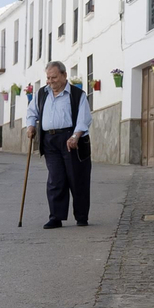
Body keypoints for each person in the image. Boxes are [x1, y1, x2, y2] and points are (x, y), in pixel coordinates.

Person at [24, 60, 91, 229]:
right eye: (48, 78)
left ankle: (81, 216)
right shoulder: (42, 94)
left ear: (64, 75)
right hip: (50, 141)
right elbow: (32, 112)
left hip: (71, 139)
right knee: (55, 179)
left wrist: (75, 136)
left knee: (77, 179)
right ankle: (56, 217)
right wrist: (31, 125)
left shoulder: (77, 95)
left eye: (53, 77)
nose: (50, 81)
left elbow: (84, 120)